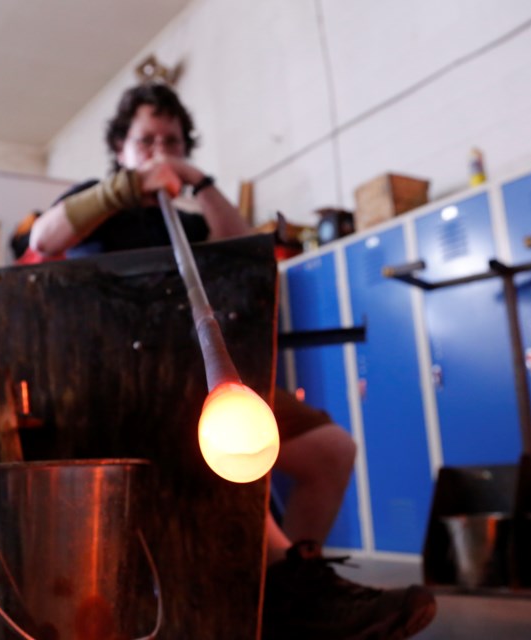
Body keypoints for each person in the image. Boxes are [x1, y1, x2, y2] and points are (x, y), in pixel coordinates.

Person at [30, 82, 436, 639]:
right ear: (120, 148)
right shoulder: (92, 202)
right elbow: (44, 237)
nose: (159, 150)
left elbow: (247, 249)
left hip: (203, 372)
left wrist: (199, 181)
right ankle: (299, 595)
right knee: (231, 461)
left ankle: (287, 595)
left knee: (329, 451)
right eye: (146, 139)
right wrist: (128, 186)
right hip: (123, 388)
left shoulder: (195, 221)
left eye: (171, 141)